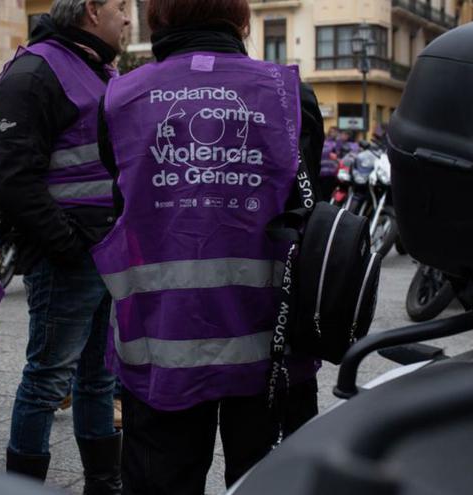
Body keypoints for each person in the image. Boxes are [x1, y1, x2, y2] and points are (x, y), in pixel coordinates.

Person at [94, 0, 324, 493]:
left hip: (161, 343)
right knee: (274, 485)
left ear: (156, 19)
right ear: (242, 22)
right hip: (273, 344)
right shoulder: (290, 95)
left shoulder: (120, 99)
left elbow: (124, 203)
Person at [0, 0, 128, 491]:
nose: (129, 18)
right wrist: (68, 245)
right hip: (70, 258)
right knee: (46, 381)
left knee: (97, 380)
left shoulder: (97, 68)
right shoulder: (33, 72)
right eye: (121, 6)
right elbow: (14, 179)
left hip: (105, 253)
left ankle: (104, 484)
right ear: (92, 10)